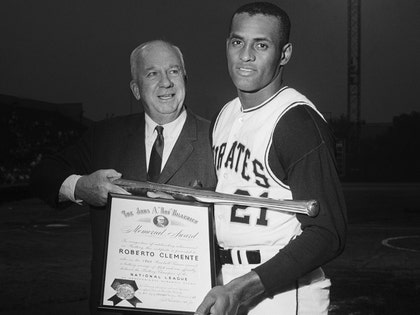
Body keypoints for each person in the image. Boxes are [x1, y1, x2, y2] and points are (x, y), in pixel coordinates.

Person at [31, 39, 217, 314]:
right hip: (119, 306)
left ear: (185, 78)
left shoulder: (218, 138)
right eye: (152, 73)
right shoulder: (104, 136)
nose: (166, 82)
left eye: (174, 71)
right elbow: (42, 175)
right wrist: (80, 187)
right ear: (136, 89)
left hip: (191, 306)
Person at [195, 2, 347, 315]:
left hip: (283, 291)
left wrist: (242, 288)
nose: (245, 55)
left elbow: (327, 234)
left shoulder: (296, 121)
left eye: (261, 45)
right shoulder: (225, 115)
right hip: (229, 281)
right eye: (238, 42)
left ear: (285, 54)